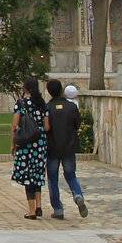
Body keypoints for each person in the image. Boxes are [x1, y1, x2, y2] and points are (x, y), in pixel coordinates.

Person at [45, 79, 87, 219]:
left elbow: (45, 128)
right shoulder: (71, 107)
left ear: (49, 91)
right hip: (69, 147)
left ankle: (58, 208)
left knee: (52, 179)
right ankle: (77, 194)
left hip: (52, 148)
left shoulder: (47, 108)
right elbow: (77, 124)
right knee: (70, 175)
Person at [11, 76, 48, 220]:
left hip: (26, 144)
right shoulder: (42, 103)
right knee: (37, 174)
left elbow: (15, 125)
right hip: (40, 144)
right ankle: (39, 206)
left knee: (27, 176)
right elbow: (46, 126)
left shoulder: (21, 103)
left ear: (25, 88)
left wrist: (13, 143)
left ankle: (32, 211)